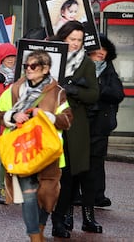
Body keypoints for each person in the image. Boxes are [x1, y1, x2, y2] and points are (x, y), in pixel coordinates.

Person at [0, 50, 72, 242]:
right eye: (26, 66)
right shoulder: (15, 89)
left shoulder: (58, 93)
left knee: (48, 194)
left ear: (45, 69)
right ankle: (35, 237)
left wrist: (47, 116)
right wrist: (12, 116)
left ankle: (40, 227)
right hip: (21, 150)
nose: (28, 70)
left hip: (47, 151)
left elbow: (67, 120)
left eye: (33, 66)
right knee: (29, 195)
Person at [49, 20, 101, 237]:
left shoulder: (87, 64)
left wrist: (75, 91)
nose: (75, 44)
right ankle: (45, 219)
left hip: (75, 126)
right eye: (72, 39)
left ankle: (59, 221)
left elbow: (94, 94)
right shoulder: (50, 57)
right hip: (49, 123)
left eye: (79, 40)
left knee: (69, 176)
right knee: (50, 176)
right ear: (63, 38)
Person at [85, 34, 124, 208]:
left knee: (97, 160)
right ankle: (78, 195)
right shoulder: (81, 67)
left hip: (101, 121)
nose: (102, 53)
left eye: (105, 49)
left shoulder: (108, 69)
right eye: (98, 49)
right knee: (79, 160)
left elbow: (117, 94)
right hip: (82, 120)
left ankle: (97, 195)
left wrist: (98, 89)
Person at [0, 42, 18, 204]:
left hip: (18, 122)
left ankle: (14, 187)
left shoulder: (22, 76)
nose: (10, 60)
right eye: (7, 57)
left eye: (13, 56)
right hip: (1, 122)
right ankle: (2, 188)